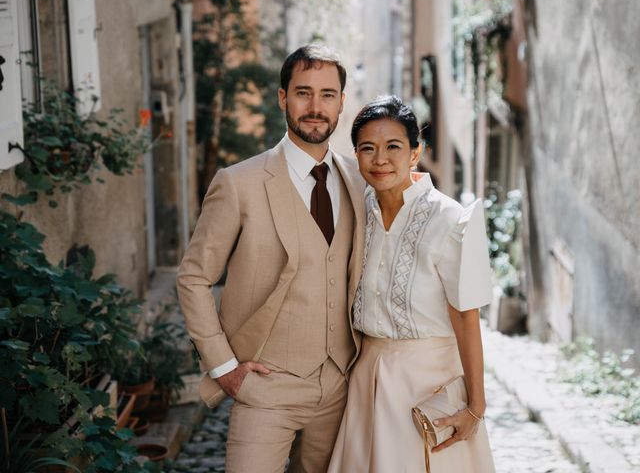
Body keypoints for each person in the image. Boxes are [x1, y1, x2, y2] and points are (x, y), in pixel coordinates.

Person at [176, 44, 366, 473]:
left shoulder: (359, 179)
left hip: (339, 389)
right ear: (283, 98)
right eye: (303, 92)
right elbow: (193, 278)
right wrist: (224, 367)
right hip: (263, 389)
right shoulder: (238, 183)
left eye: (327, 94)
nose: (315, 107)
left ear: (341, 102)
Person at [328, 96, 495, 473]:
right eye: (367, 148)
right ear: (356, 155)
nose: (380, 159)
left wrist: (476, 407)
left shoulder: (450, 220)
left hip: (430, 384)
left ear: (415, 153)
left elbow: (467, 319)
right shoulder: (356, 214)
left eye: (393, 147)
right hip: (366, 380)